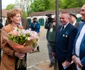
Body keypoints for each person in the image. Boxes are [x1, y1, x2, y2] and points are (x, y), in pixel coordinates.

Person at [72, 4, 85, 70]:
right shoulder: (81, 24)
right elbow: (76, 40)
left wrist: (83, 62)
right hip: (76, 61)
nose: (80, 13)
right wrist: (73, 53)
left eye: (83, 10)